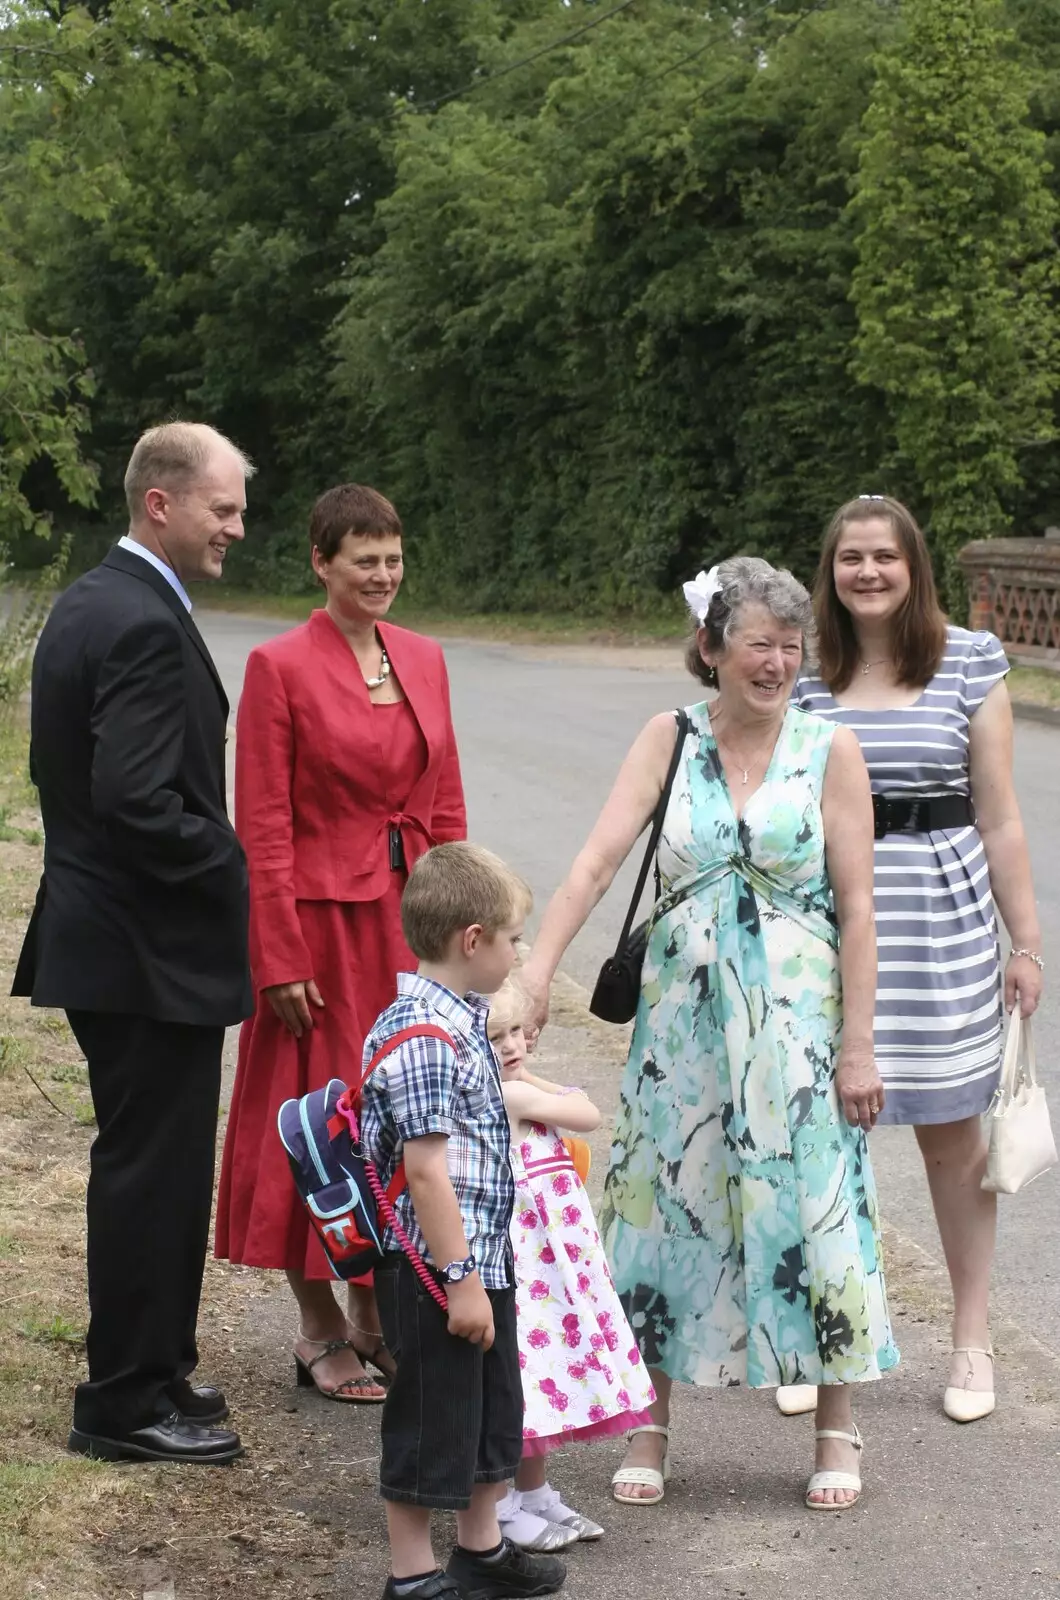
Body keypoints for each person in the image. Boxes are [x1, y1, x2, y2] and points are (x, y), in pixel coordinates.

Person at [520, 556, 899, 1513]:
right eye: (757, 645)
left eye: (790, 646)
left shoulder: (829, 750)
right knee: (666, 1206)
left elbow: (858, 908)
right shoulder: (671, 736)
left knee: (816, 1209)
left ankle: (835, 1424)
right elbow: (599, 862)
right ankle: (649, 1422)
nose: (776, 663)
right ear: (710, 649)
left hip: (801, 1025)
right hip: (682, 1024)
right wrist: (532, 974)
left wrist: (859, 1044)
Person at [12, 421, 254, 1463]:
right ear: (161, 502)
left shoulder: (91, 599)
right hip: (145, 951)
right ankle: (120, 1399)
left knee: (153, 1166)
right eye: (224, 507)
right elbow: (140, 803)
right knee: (151, 1174)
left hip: (112, 938)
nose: (237, 527)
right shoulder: (143, 620)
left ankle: (155, 1364)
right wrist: (237, 865)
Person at [783, 493, 1044, 1425]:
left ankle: (970, 1339)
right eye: (849, 557)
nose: (866, 572)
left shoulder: (971, 661)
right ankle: (820, 1336)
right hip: (825, 925)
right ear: (830, 570)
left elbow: (1000, 813)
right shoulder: (808, 671)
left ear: (913, 566)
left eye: (883, 557)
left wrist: (1026, 942)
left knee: (953, 1141)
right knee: (818, 1141)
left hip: (942, 921)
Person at [216, 484, 466, 1404]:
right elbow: (265, 823)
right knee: (320, 1123)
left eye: (393, 559)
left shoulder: (427, 659)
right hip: (318, 932)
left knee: (400, 1120)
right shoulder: (278, 667)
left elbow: (446, 805)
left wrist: (461, 932)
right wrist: (276, 955)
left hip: (408, 922)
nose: (383, 576)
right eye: (364, 560)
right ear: (322, 563)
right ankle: (318, 1327)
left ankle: (375, 1318)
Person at [360, 843, 565, 1600]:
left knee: (489, 1408)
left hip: (480, 1259)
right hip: (434, 1269)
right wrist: (459, 1282)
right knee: (430, 1417)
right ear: (471, 941)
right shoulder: (424, 1035)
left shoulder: (463, 1016)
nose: (520, 953)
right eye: (513, 938)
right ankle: (411, 1573)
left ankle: (480, 1548)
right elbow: (423, 1172)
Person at [487, 981, 654, 1553]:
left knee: (545, 1377)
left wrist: (523, 1071)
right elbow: (587, 1113)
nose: (512, 1045)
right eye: (495, 1036)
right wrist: (526, 1077)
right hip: (531, 1268)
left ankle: (535, 1495)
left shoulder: (516, 1089)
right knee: (527, 1376)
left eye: (515, 1032)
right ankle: (504, 1505)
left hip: (557, 1263)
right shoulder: (511, 1098)